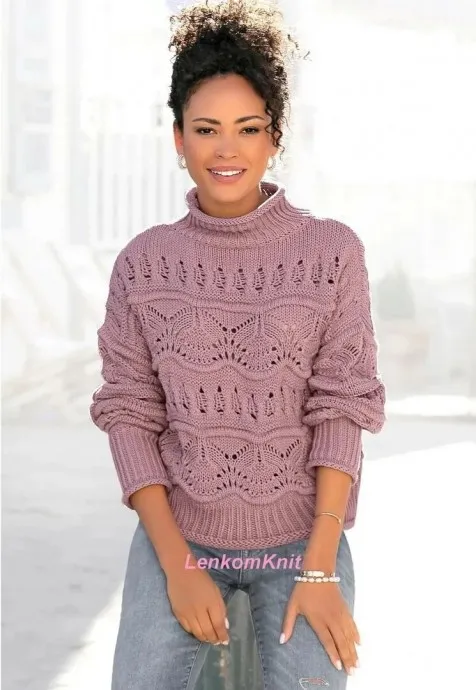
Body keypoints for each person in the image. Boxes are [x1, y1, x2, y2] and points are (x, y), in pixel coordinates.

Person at [89, 1, 386, 688]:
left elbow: (343, 407)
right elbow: (130, 415)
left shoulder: (332, 253)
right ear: (178, 139)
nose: (227, 150)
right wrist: (178, 566)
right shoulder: (143, 264)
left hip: (301, 539)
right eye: (206, 130)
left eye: (248, 129)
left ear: (275, 136)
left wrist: (319, 568)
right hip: (181, 532)